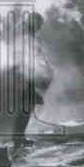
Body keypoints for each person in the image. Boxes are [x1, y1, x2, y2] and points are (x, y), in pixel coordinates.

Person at [12, 10, 53, 143]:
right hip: (21, 74)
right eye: (39, 24)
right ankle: (17, 138)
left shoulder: (27, 33)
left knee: (26, 106)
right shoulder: (23, 33)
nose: (40, 28)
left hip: (25, 73)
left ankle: (18, 136)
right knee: (26, 105)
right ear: (34, 22)